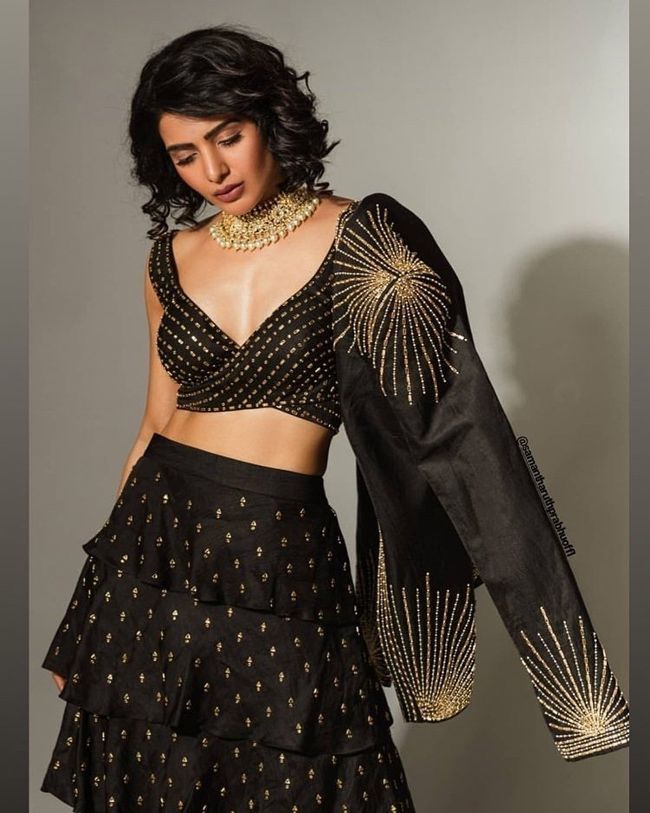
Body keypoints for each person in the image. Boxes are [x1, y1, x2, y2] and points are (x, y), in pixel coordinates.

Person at [40, 23, 629, 813]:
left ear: (270, 119)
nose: (213, 171)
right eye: (185, 155)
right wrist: (90, 610)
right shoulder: (166, 261)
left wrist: (569, 668)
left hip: (279, 553)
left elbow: (457, 429)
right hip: (157, 551)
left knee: (312, 780)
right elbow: (152, 427)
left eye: (228, 137)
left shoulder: (365, 243)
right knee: (164, 785)